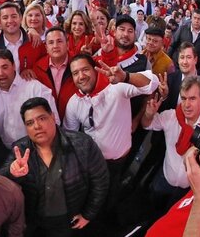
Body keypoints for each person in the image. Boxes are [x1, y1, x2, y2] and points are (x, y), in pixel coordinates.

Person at [0, 98, 109, 237]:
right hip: (31, 217)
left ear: (53, 117)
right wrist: (12, 173)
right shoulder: (19, 150)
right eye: (30, 123)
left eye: (41, 118)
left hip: (64, 219)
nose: (36, 126)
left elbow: (100, 181)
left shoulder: (82, 144)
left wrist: (88, 214)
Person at [64, 54, 158, 206]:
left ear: (95, 70)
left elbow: (152, 83)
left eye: (85, 70)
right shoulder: (73, 103)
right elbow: (69, 136)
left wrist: (127, 76)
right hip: (91, 164)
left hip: (118, 162)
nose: (81, 76)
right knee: (92, 197)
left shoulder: (116, 87)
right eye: (75, 73)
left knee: (111, 195)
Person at [141, 76, 200, 211]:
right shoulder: (171, 116)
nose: (186, 105)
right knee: (150, 207)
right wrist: (148, 114)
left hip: (187, 190)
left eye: (192, 99)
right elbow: (146, 124)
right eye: (183, 98)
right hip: (164, 178)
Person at [0, 49, 59, 152]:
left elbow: (55, 121)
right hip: (10, 152)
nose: (0, 73)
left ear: (14, 66)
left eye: (5, 67)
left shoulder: (35, 88)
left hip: (39, 149)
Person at [0, 2, 46, 102]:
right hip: (1, 100)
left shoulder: (35, 41)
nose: (10, 21)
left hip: (31, 99)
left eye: (14, 16)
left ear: (21, 18)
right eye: (5, 17)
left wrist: (33, 69)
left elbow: (46, 64)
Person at [33, 27, 77, 120]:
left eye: (59, 41)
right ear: (46, 47)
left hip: (75, 120)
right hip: (48, 121)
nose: (55, 46)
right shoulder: (37, 68)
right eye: (51, 42)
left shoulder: (77, 64)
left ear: (67, 44)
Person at [161, 42, 200, 111]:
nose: (184, 62)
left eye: (188, 57)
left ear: (195, 60)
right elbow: (164, 110)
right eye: (182, 57)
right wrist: (164, 96)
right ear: (178, 60)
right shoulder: (171, 79)